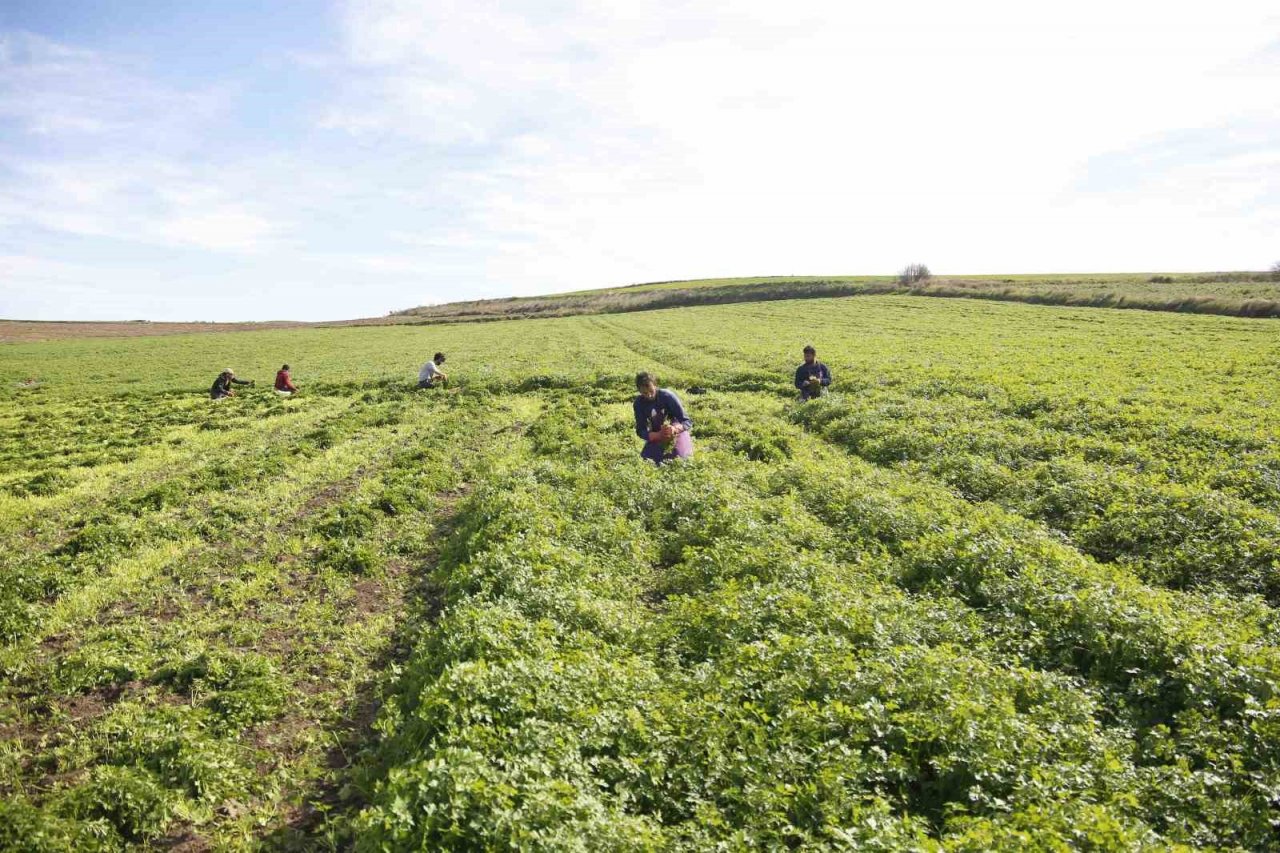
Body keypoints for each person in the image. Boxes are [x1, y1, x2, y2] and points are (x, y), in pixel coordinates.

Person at [634, 372, 693, 464]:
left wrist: (674, 429)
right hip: (657, 433)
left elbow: (687, 421)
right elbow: (641, 430)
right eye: (645, 393)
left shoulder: (667, 396)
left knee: (679, 458)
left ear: (655, 385)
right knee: (647, 460)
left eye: (651, 391)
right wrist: (656, 435)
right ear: (639, 391)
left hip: (676, 432)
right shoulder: (639, 403)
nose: (649, 395)